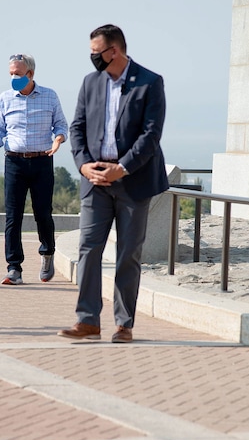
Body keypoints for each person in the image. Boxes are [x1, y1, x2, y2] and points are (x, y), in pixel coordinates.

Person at [57, 24, 168, 343]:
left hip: (134, 181)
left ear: (113, 51)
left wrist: (122, 168)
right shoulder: (90, 82)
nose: (92, 58)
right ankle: (87, 321)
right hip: (95, 181)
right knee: (88, 249)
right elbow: (77, 127)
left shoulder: (150, 82)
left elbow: (151, 135)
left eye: (96, 52)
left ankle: (123, 324)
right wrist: (83, 165)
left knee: (128, 253)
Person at [0, 54, 68, 285]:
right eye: (11, 74)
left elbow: (61, 124)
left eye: (17, 73)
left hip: (42, 161)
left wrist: (58, 139)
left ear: (30, 74)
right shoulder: (5, 98)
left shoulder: (49, 96)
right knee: (13, 216)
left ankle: (47, 253)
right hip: (14, 162)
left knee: (43, 213)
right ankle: (14, 268)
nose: (13, 78)